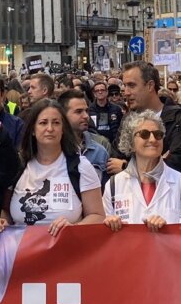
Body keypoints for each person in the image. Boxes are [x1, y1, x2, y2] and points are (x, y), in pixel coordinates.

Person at [7, 98, 104, 236]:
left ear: (63, 129)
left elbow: (98, 215)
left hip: (67, 251)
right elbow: (5, 210)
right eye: (43, 123)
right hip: (22, 253)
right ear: (33, 130)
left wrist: (74, 228)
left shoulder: (81, 167)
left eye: (56, 123)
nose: (50, 128)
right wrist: (1, 221)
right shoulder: (18, 165)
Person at [102, 110, 181, 230]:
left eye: (158, 134)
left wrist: (166, 230)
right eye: (144, 134)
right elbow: (106, 236)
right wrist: (108, 223)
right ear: (131, 143)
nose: (152, 139)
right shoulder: (113, 185)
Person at [120, 62, 181, 182]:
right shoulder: (128, 119)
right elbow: (115, 156)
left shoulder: (178, 117)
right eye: (125, 86)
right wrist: (160, 160)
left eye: (131, 85)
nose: (126, 92)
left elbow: (177, 162)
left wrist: (125, 166)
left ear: (150, 86)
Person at [61, 90, 112, 175]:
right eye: (79, 111)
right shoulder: (54, 149)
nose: (86, 116)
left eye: (86, 111)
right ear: (62, 115)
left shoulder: (99, 151)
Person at [87, 80, 124, 148]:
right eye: (97, 91)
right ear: (94, 94)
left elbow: (121, 128)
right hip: (97, 146)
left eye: (102, 90)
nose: (100, 92)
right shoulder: (89, 110)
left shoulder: (116, 109)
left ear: (106, 92)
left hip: (114, 146)